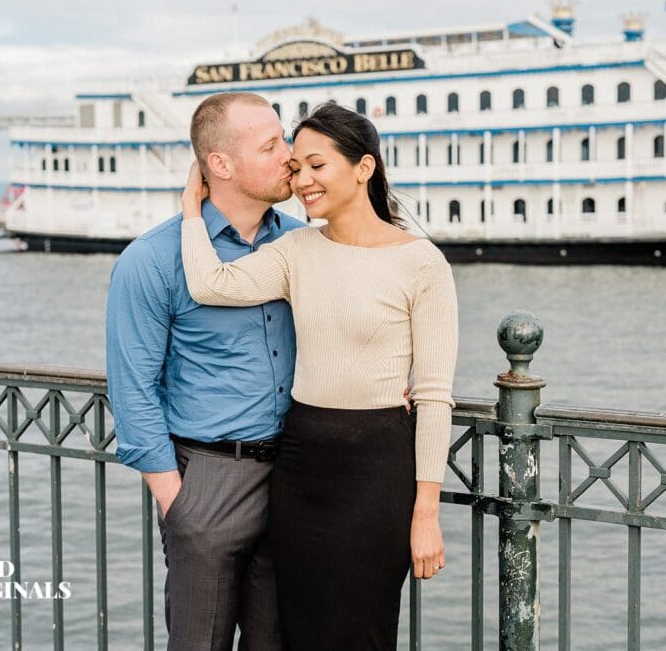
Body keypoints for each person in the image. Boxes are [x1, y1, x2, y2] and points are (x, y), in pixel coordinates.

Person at [179, 102, 459, 650]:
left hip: (377, 469)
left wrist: (426, 513)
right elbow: (211, 284)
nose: (302, 180)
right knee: (299, 631)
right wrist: (193, 206)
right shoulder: (297, 250)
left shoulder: (421, 263)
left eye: (317, 165)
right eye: (296, 167)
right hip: (301, 464)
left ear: (363, 167)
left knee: (361, 634)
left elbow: (433, 396)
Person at [106, 91, 306, 650]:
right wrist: (178, 503)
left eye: (284, 139)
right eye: (270, 146)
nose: (289, 155)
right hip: (207, 481)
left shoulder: (303, 243)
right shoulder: (151, 259)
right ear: (220, 164)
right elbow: (133, 389)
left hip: (296, 478)